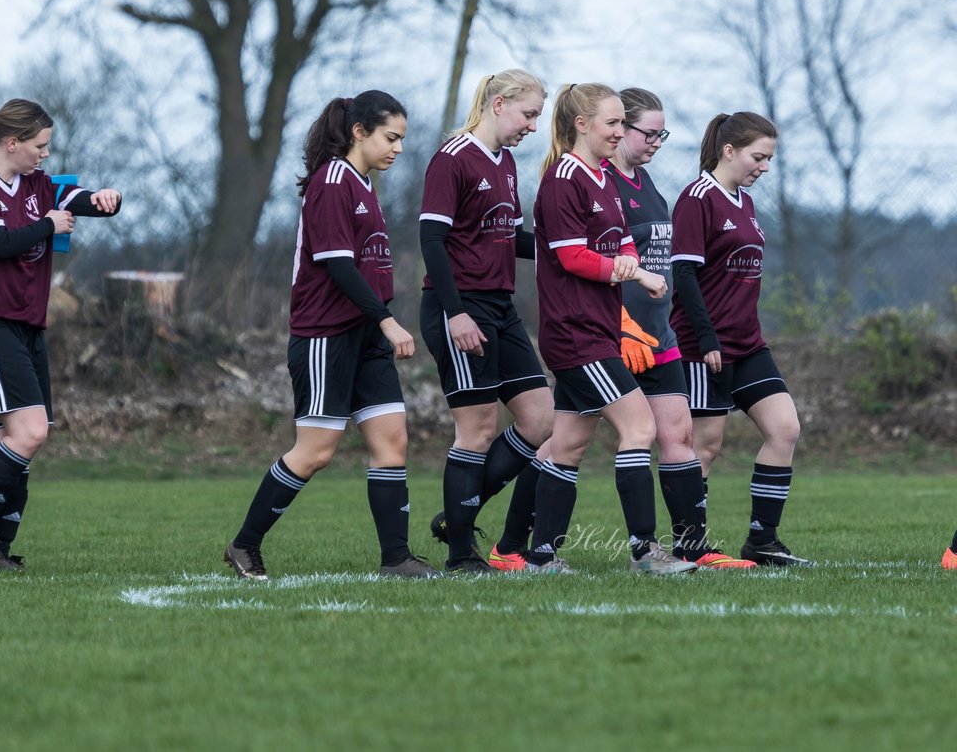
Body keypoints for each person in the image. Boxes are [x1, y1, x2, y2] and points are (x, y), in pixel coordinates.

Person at [223, 90, 438, 581]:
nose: (398, 148)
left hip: (365, 337)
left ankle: (397, 559)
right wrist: (386, 320)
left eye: (402, 139)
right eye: (391, 137)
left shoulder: (364, 184)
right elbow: (337, 264)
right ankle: (244, 545)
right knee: (316, 451)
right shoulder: (333, 181)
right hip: (325, 335)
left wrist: (379, 322)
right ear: (360, 131)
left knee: (392, 442)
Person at [526, 83, 695, 575]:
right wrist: (637, 272)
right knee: (639, 427)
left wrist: (628, 259)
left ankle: (539, 556)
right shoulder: (563, 178)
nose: (620, 132)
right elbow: (571, 256)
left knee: (569, 444)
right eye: (612, 123)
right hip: (575, 335)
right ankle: (645, 551)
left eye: (624, 123)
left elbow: (621, 240)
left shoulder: (602, 177)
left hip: (599, 331)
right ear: (581, 124)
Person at [0, 98, 122, 572]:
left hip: (25, 324)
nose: (46, 154)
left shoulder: (37, 183)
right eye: (40, 146)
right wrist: (47, 224)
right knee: (30, 432)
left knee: (24, 437)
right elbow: (1, 243)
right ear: (12, 143)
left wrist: (106, 200)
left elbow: (75, 199)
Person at [607, 89, 756, 570]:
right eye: (649, 133)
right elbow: (573, 258)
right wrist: (624, 324)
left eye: (661, 133)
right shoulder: (595, 182)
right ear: (618, 127)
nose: (657, 142)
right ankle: (513, 545)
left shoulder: (646, 182)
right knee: (559, 440)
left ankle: (691, 549)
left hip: (659, 337)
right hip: (612, 338)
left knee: (679, 436)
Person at [417, 69, 557, 575]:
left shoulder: (507, 163)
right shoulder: (452, 159)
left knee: (541, 419)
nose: (534, 126)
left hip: (500, 305)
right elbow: (431, 241)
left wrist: (568, 248)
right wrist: (455, 313)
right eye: (529, 114)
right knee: (475, 431)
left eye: (538, 116)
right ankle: (460, 555)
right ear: (499, 104)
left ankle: (458, 513)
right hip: (459, 307)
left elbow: (507, 238)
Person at [669, 111, 811, 566]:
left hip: (748, 344)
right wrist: (708, 337)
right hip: (702, 345)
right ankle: (691, 548)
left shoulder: (744, 201)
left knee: (785, 428)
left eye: (769, 158)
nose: (764, 167)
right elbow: (685, 274)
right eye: (759, 156)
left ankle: (762, 540)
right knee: (704, 447)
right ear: (729, 150)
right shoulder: (697, 198)